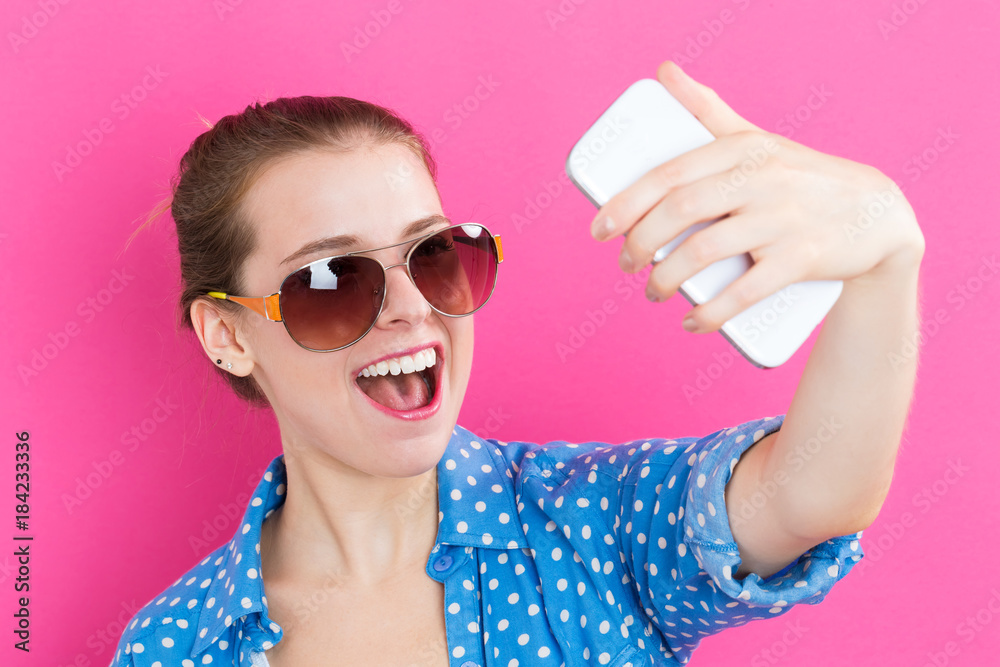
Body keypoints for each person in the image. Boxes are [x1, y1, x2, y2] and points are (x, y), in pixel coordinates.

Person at [110, 60, 924, 666]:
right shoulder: (174, 645)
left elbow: (816, 494)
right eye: (332, 278)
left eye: (433, 254)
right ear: (228, 332)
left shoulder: (593, 526)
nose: (410, 305)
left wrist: (887, 255)